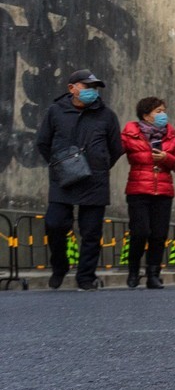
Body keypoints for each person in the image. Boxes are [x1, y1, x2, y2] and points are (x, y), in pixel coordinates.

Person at [35, 69, 124, 291]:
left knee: (91, 232)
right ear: (72, 88)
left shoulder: (107, 115)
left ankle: (85, 277)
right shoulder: (56, 111)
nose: (92, 91)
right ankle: (60, 265)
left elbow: (116, 148)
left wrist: (99, 165)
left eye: (94, 87)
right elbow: (43, 143)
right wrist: (60, 166)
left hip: (95, 181)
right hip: (63, 180)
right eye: (86, 87)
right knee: (54, 223)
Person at [121, 96, 175, 289]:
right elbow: (114, 150)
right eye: (158, 111)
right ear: (146, 115)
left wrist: (166, 158)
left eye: (164, 111)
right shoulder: (130, 134)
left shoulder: (171, 137)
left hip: (163, 192)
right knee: (140, 232)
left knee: (159, 235)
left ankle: (153, 274)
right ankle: (133, 271)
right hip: (138, 190)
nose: (163, 114)